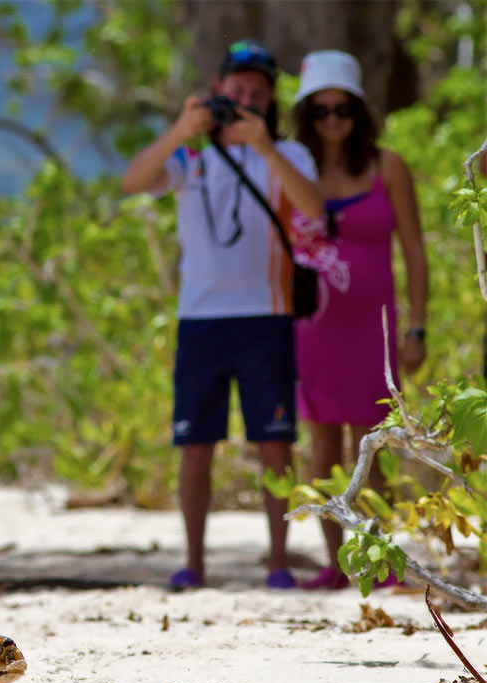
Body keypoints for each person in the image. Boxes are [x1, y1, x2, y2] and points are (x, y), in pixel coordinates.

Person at [122, 40, 325, 590]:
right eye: (236, 92)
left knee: (274, 443)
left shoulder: (289, 154)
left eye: (257, 94)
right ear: (217, 92)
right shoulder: (192, 158)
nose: (246, 101)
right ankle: (194, 563)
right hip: (202, 318)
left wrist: (264, 148)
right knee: (195, 445)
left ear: (270, 102)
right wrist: (181, 129)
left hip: (268, 315)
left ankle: (279, 563)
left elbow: (314, 209)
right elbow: (134, 182)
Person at [288, 51, 429, 590]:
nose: (331, 120)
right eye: (320, 110)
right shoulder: (294, 166)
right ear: (307, 114)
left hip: (376, 332)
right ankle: (335, 561)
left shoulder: (387, 166)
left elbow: (414, 251)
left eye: (341, 108)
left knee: (373, 443)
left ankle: (380, 558)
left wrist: (418, 328)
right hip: (313, 330)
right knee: (322, 443)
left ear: (358, 111)